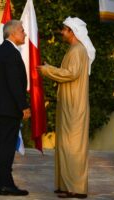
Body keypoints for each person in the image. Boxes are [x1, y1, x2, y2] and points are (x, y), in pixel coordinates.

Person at [38, 16, 95, 199]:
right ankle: (64, 184)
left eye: (64, 29)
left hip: (74, 106)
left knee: (73, 147)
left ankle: (76, 188)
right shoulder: (74, 49)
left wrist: (48, 70)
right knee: (64, 145)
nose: (61, 32)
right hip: (68, 104)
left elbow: (71, 74)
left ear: (72, 31)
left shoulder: (78, 50)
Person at [0, 20, 31, 196]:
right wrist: (24, 106)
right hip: (8, 109)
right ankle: (5, 184)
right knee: (6, 146)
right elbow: (14, 84)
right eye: (22, 30)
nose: (25, 33)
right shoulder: (11, 53)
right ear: (12, 33)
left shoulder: (0, 51)